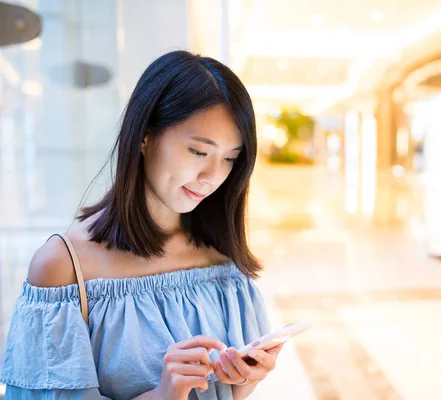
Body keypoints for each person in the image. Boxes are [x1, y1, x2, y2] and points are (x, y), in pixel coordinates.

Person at [0, 50, 281, 400]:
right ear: (145, 137)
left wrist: (244, 378)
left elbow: (230, 394)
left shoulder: (222, 258)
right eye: (197, 152)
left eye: (229, 159)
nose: (212, 176)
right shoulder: (63, 267)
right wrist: (162, 394)